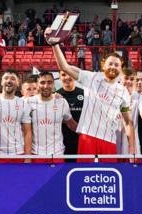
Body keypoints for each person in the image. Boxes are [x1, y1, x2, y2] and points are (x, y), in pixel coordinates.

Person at [46, 29, 135, 162]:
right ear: (103, 65)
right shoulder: (91, 78)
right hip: (88, 137)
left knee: (107, 178)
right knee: (84, 176)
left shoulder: (123, 92)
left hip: (109, 140)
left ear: (120, 69)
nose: (113, 66)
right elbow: (64, 67)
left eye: (117, 65)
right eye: (110, 63)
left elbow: (128, 122)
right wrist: (54, 44)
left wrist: (132, 148)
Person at [26, 71, 77, 163]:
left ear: (53, 84)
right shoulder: (28, 102)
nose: (46, 86)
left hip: (57, 154)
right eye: (42, 82)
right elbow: (12, 101)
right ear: (37, 84)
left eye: (49, 82)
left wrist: (89, 134)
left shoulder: (61, 102)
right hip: (35, 154)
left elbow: (71, 124)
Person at [0, 71, 32, 163]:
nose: (9, 81)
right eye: (6, 78)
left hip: (18, 153)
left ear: (18, 83)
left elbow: (27, 132)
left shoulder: (23, 104)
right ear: (1, 82)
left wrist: (28, 156)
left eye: (13, 79)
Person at [56, 70, 84, 160]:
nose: (67, 77)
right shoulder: (56, 96)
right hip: (63, 140)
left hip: (81, 138)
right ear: (59, 77)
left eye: (69, 74)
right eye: (63, 75)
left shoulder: (85, 94)